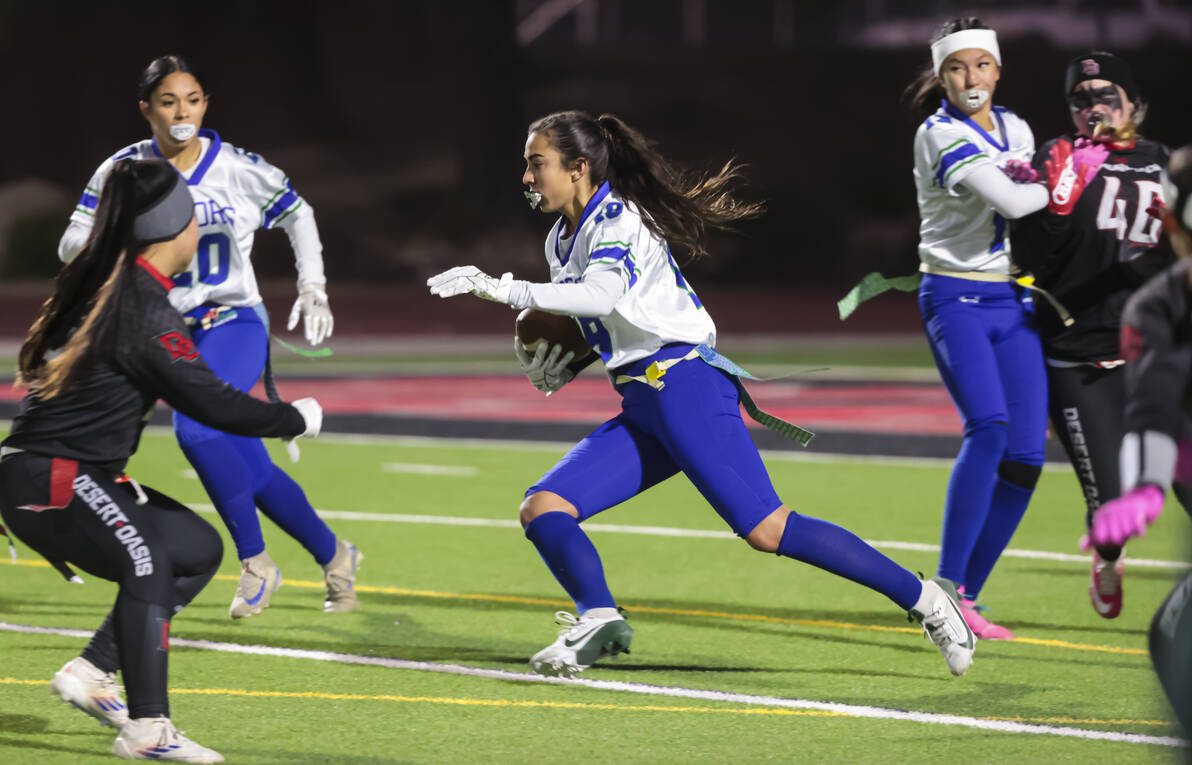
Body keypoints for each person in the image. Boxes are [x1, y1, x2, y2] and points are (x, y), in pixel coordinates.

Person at [426, 110, 976, 678]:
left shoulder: (618, 217)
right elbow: (611, 311)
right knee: (544, 508)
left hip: (684, 383)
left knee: (768, 529)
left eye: (537, 164)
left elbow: (600, 292)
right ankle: (598, 616)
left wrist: (500, 288)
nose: (527, 178)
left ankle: (929, 600)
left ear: (579, 167)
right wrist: (572, 356)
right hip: (645, 399)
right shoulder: (560, 237)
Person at [0, 158, 321, 761]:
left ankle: (93, 671)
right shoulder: (140, 306)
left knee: (196, 550)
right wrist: (294, 418)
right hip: (54, 477)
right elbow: (215, 405)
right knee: (147, 563)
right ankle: (147, 729)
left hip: (64, 474)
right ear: (175, 226)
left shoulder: (123, 288)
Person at [56, 55, 359, 619]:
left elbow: (298, 213)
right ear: (146, 110)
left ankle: (256, 562)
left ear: (205, 103)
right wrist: (111, 238)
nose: (182, 112)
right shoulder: (124, 169)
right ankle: (336, 554)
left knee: (197, 430)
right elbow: (70, 244)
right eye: (169, 101)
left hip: (231, 320)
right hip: (161, 328)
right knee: (248, 464)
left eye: (192, 99)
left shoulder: (238, 168)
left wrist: (312, 285)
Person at [903, 18, 1114, 639]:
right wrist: (1073, 173)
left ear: (998, 71)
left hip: (1011, 300)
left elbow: (1042, 203)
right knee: (989, 428)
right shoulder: (938, 132)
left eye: (981, 66)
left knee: (1025, 453)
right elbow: (1019, 202)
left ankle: (968, 596)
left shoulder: (1017, 128)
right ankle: (941, 589)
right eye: (957, 68)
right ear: (942, 76)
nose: (971, 78)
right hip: (954, 297)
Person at [1010, 51, 1170, 620]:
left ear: (1136, 104)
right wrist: (1061, 196)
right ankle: (1106, 558)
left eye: (1106, 95)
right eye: (1081, 99)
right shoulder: (1054, 158)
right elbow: (1027, 260)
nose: (1094, 107)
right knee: (1110, 507)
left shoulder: (1166, 165)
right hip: (1078, 357)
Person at [1081, 143, 1192, 736]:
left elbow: (1154, 399)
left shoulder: (1158, 302)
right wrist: (1147, 487)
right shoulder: (1159, 304)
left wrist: (1145, 489)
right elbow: (1155, 398)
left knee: (1172, 638)